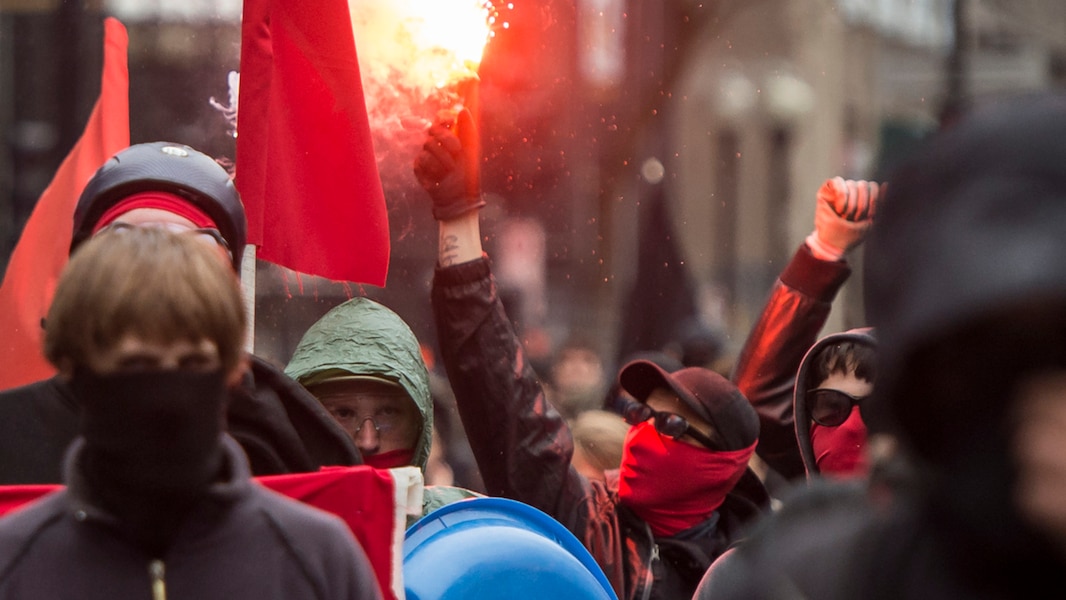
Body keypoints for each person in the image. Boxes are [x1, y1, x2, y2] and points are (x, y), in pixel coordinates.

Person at [697, 91, 1066, 599]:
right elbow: (758, 395)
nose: (1045, 422)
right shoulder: (802, 578)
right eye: (829, 405)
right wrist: (822, 252)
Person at [414, 108, 770, 600]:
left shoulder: (762, 570)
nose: (642, 432)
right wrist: (458, 218)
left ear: (720, 463)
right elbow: (501, 393)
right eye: (639, 413)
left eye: (669, 425)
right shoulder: (586, 520)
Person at [0, 226, 381, 600]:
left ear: (234, 370)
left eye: (193, 361)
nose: (168, 392)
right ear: (75, 370)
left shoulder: (318, 559)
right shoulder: (13, 564)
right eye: (138, 364)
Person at [0, 141, 360, 484]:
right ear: (85, 279)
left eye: (189, 252)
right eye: (126, 247)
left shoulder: (295, 447)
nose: (158, 273)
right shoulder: (13, 431)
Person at [731, 177, 881, 484]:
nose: (851, 427)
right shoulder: (790, 530)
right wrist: (825, 249)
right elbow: (762, 400)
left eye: (875, 408)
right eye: (829, 406)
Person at [284, 296, 482, 524]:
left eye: (388, 413)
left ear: (421, 425)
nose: (368, 441)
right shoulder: (262, 534)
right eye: (344, 414)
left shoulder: (461, 530)